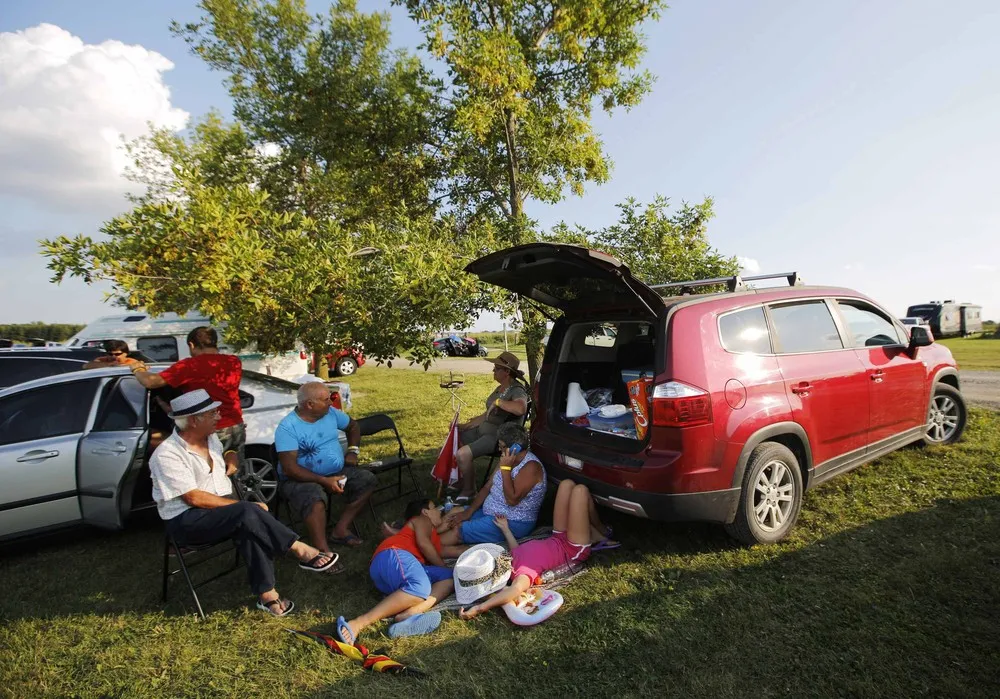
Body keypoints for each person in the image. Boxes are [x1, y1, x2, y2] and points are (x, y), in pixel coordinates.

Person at [150, 389, 340, 618]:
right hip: (187, 521)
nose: (219, 417)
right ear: (193, 421)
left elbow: (227, 451)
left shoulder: (209, 439)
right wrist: (239, 508)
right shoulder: (167, 455)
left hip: (221, 513)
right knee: (246, 512)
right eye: (213, 414)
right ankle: (300, 550)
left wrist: (231, 455)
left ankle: (267, 595)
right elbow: (193, 498)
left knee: (249, 522)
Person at [457, 479, 617, 620]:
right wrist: (480, 608)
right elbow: (515, 590)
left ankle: (594, 533)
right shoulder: (522, 575)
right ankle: (600, 534)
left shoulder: (512, 559)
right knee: (580, 491)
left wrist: (506, 530)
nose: (498, 562)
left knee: (566, 485)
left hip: (557, 537)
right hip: (572, 549)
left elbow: (519, 551)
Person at [335, 499, 453, 645]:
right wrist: (442, 565)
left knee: (450, 578)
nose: (439, 510)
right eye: (435, 507)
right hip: (394, 555)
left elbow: (445, 551)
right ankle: (358, 623)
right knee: (421, 586)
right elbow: (424, 545)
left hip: (398, 573)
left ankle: (409, 614)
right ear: (425, 512)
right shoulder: (422, 519)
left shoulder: (433, 535)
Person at [133, 327, 246, 477]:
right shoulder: (234, 361)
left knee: (209, 477)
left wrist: (137, 369)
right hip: (235, 425)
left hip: (209, 428)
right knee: (235, 474)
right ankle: (238, 499)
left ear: (191, 345)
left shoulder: (189, 366)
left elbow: (150, 382)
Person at [275, 381, 375, 550]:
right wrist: (323, 480)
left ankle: (340, 530)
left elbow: (353, 426)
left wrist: (352, 451)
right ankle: (323, 551)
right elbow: (289, 469)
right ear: (309, 404)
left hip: (336, 471)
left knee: (367, 480)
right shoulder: (288, 428)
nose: (331, 402)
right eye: (326, 399)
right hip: (297, 479)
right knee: (314, 497)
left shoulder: (330, 414)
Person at [438, 422, 545, 555]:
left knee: (458, 529)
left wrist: (506, 469)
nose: (499, 450)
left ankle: (425, 548)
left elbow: (512, 500)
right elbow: (488, 486)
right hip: (492, 512)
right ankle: (422, 538)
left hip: (512, 522)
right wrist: (469, 511)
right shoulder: (506, 459)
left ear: (515, 448)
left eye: (501, 447)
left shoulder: (531, 467)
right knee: (454, 513)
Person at [453, 351, 529, 502]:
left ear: (507, 372)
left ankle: (470, 491)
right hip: (484, 430)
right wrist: (464, 426)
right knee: (455, 439)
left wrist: (499, 402)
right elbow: (487, 415)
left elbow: (521, 408)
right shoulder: (500, 388)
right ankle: (462, 479)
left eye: (496, 368)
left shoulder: (516, 390)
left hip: (497, 437)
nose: (493, 371)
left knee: (462, 454)